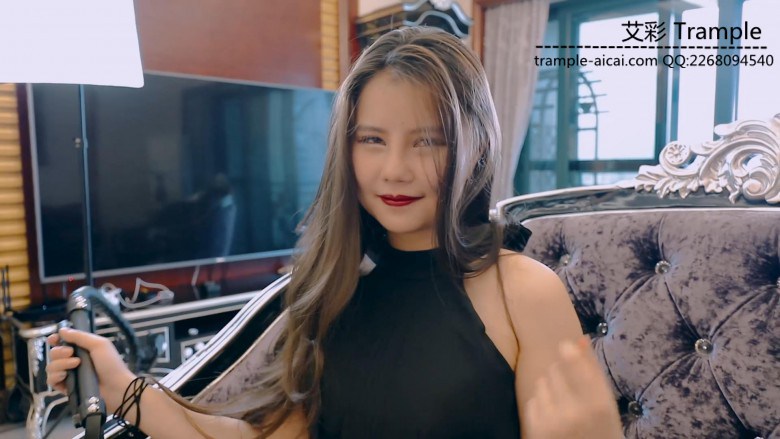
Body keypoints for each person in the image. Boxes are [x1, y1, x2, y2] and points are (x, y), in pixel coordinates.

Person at [47, 27, 623, 438]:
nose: (394, 169)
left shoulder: (522, 292)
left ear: (474, 148)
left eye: (428, 141)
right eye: (372, 139)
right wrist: (121, 386)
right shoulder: (335, 289)